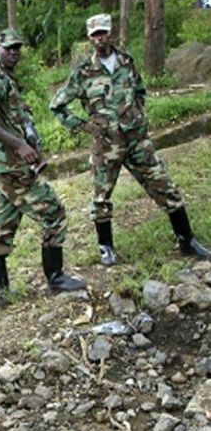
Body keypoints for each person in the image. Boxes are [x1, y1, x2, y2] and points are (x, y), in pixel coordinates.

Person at [50, 14, 209, 265]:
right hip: (106, 145)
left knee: (164, 185)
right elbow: (57, 106)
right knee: (101, 198)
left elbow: (140, 90)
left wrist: (138, 116)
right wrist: (84, 125)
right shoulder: (83, 72)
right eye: (95, 34)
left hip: (136, 140)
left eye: (103, 32)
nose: (100, 38)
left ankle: (186, 240)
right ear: (89, 38)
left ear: (110, 32)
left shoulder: (125, 60)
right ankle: (106, 248)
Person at [0, 29, 86, 307]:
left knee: (0, 227)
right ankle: (56, 277)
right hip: (9, 167)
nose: (13, 52)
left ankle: (1, 295)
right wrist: (19, 146)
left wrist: (32, 145)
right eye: (8, 48)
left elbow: (12, 120)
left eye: (17, 48)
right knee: (53, 212)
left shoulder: (6, 80)